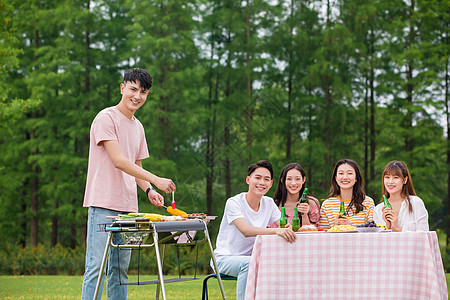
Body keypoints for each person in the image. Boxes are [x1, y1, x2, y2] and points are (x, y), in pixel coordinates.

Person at [81, 68, 176, 300]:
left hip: (128, 208)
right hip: (103, 203)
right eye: (133, 89)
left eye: (143, 92)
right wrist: (156, 179)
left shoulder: (138, 127)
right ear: (122, 88)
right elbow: (119, 161)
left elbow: (136, 167)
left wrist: (149, 189)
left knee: (120, 271)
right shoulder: (106, 118)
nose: (138, 96)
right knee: (96, 267)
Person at [212, 160, 297, 300]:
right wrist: (276, 231)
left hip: (255, 259)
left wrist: (287, 227)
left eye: (266, 179)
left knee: (279, 263)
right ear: (248, 180)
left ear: (270, 184)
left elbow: (284, 225)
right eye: (257, 178)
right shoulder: (234, 202)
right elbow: (246, 230)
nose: (262, 182)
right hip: (224, 258)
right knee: (248, 263)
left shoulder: (269, 203)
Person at [318, 158, 374, 229]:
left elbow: (372, 232)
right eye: (341, 173)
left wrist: (351, 228)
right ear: (335, 178)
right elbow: (323, 234)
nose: (345, 177)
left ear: (356, 178)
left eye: (350, 173)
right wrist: (335, 228)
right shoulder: (327, 205)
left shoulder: (368, 202)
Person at [373, 160, 429, 231]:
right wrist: (387, 227)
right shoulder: (378, 210)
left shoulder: (416, 203)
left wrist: (397, 228)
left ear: (405, 180)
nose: (390, 182)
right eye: (387, 177)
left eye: (395, 177)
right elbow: (376, 240)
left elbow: (424, 236)